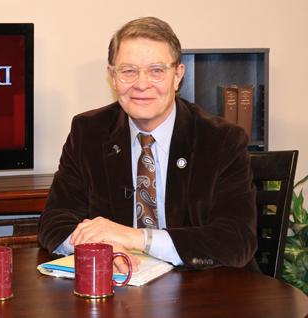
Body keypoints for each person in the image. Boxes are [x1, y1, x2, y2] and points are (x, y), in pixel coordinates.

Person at [38, 17, 257, 272]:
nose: (142, 84)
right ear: (112, 76)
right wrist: (102, 249)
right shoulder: (88, 132)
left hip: (206, 292)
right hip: (121, 291)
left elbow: (236, 240)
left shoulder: (221, 140)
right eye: (129, 71)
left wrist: (137, 238)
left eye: (156, 70)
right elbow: (54, 222)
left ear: (177, 76)